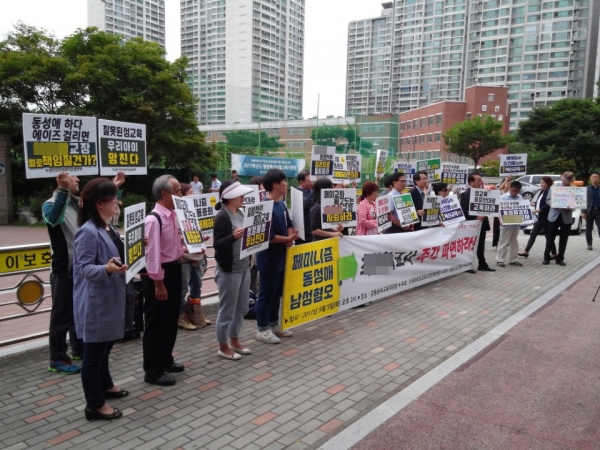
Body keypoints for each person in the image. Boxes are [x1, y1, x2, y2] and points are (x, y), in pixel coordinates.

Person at [42, 171, 125, 375]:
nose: (77, 179)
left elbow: (98, 204)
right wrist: (62, 190)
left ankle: (79, 347)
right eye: (71, 176)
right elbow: (54, 219)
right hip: (64, 267)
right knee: (62, 314)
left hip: (80, 268)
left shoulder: (76, 202)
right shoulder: (51, 204)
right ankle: (57, 357)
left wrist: (113, 187)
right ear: (59, 180)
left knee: (77, 309)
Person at [73, 178, 129, 421]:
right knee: (93, 355)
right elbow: (83, 268)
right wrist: (106, 269)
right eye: (113, 198)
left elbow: (114, 254)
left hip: (109, 297)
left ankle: (106, 385)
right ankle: (94, 405)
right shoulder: (87, 232)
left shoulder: (106, 226)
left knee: (105, 347)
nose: (117, 202)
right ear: (100, 202)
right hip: (96, 302)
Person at [142, 175, 186, 386]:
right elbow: (152, 255)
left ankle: (166, 360)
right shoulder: (154, 219)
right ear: (164, 194)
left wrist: (189, 247)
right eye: (177, 191)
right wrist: (158, 282)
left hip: (175, 269)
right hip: (160, 275)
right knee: (156, 323)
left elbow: (172, 246)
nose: (180, 194)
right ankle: (153, 370)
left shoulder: (172, 215)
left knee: (170, 320)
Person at [255, 169, 298, 344]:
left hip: (281, 257)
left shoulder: (280, 204)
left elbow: (289, 223)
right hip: (268, 259)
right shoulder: (263, 207)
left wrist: (289, 240)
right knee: (266, 294)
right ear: (275, 184)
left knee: (277, 293)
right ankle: (262, 329)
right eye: (284, 181)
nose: (287, 184)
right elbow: (268, 236)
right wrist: (288, 239)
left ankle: (274, 324)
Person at [213, 181, 254, 360]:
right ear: (230, 197)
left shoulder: (242, 212)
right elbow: (217, 244)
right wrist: (232, 237)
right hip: (229, 270)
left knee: (241, 307)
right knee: (227, 309)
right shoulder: (222, 216)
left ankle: (235, 340)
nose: (243, 198)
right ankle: (223, 345)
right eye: (240, 195)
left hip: (244, 266)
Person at [178, 183, 210, 331]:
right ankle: (180, 316)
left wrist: (203, 239)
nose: (194, 194)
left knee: (196, 286)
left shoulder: (196, 213)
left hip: (197, 257)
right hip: (184, 258)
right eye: (190, 192)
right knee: (183, 289)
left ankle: (196, 315)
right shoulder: (176, 214)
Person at [460, 173, 496, 273]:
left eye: (481, 180)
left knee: (481, 245)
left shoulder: (482, 192)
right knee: (470, 246)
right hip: (471, 225)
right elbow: (463, 211)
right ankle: (467, 265)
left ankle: (482, 264)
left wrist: (490, 193)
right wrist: (475, 216)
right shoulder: (466, 194)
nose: (481, 182)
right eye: (478, 180)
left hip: (481, 224)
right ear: (471, 182)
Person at [544, 171, 576, 266]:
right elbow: (548, 200)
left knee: (564, 238)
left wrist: (571, 207)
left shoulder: (573, 189)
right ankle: (546, 257)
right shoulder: (554, 188)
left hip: (566, 216)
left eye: (568, 181)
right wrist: (556, 205)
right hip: (554, 215)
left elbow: (576, 203)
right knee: (550, 237)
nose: (566, 182)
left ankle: (560, 258)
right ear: (562, 179)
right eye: (565, 180)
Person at [519, 176, 556, 258]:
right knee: (533, 234)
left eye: (543, 183)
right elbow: (538, 202)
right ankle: (526, 251)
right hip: (539, 217)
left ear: (548, 183)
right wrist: (528, 204)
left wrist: (538, 210)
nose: (541, 184)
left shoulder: (550, 191)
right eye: (541, 182)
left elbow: (548, 204)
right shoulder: (541, 192)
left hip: (546, 217)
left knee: (548, 236)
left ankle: (554, 252)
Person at [495, 181, 524, 267]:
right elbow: (497, 210)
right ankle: (500, 259)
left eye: (517, 191)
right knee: (503, 241)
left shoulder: (520, 197)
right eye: (513, 190)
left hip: (516, 222)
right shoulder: (503, 198)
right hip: (506, 222)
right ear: (509, 187)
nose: (514, 193)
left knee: (514, 242)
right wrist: (500, 220)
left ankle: (513, 259)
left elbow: (523, 209)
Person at [582, 171, 600, 251]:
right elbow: (582, 201)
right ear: (590, 178)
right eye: (593, 177)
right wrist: (583, 212)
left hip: (599, 211)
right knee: (588, 228)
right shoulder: (586, 189)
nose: (595, 179)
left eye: (596, 177)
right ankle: (589, 244)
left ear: (599, 178)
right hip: (589, 211)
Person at [295, 170, 314, 245]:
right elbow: (304, 203)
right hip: (303, 235)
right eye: (309, 181)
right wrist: (315, 191)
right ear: (301, 182)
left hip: (313, 232)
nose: (311, 183)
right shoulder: (296, 193)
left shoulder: (311, 192)